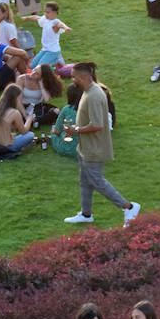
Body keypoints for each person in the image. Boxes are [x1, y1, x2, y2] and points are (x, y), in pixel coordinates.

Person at [63, 62, 140, 224]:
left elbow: (97, 125)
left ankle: (129, 207)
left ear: (83, 77)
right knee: (85, 181)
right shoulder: (88, 91)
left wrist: (75, 130)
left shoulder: (94, 95)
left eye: (74, 76)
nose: (72, 79)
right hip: (85, 147)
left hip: (95, 149)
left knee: (97, 181)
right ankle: (86, 214)